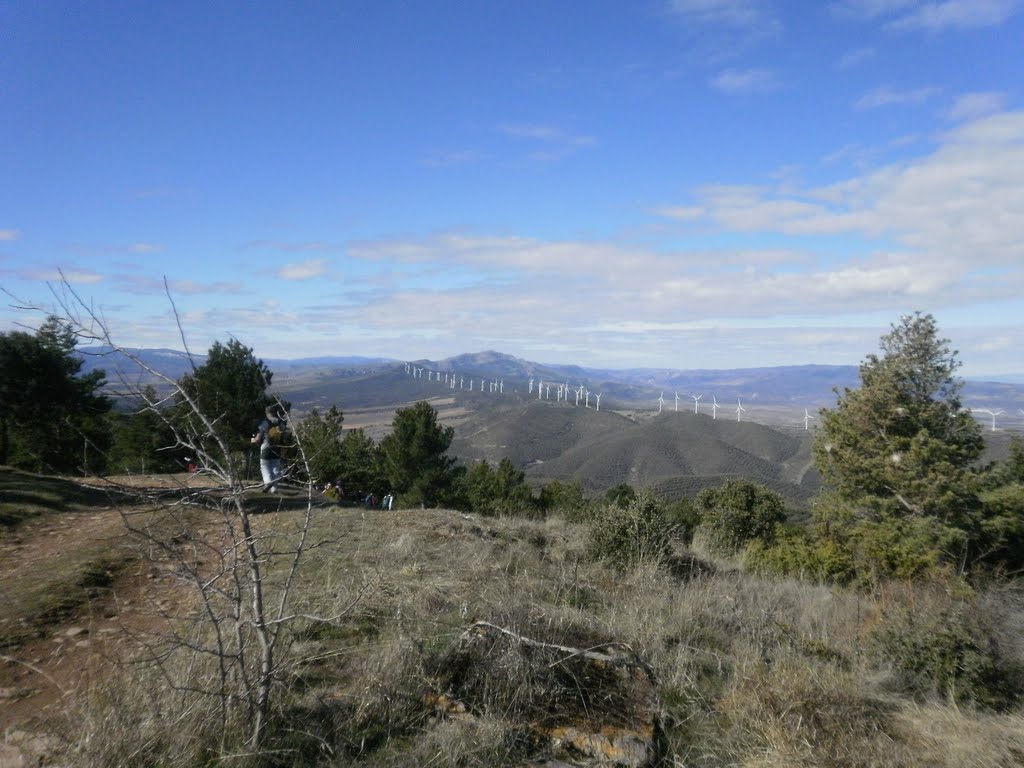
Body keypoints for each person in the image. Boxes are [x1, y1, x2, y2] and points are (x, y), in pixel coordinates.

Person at [252, 406, 284, 493]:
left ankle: (268, 482)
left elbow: (258, 438)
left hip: (266, 448)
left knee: (265, 467)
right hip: (277, 448)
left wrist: (253, 440)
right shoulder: (280, 423)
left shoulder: (265, 423)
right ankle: (274, 489)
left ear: (266, 413)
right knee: (276, 469)